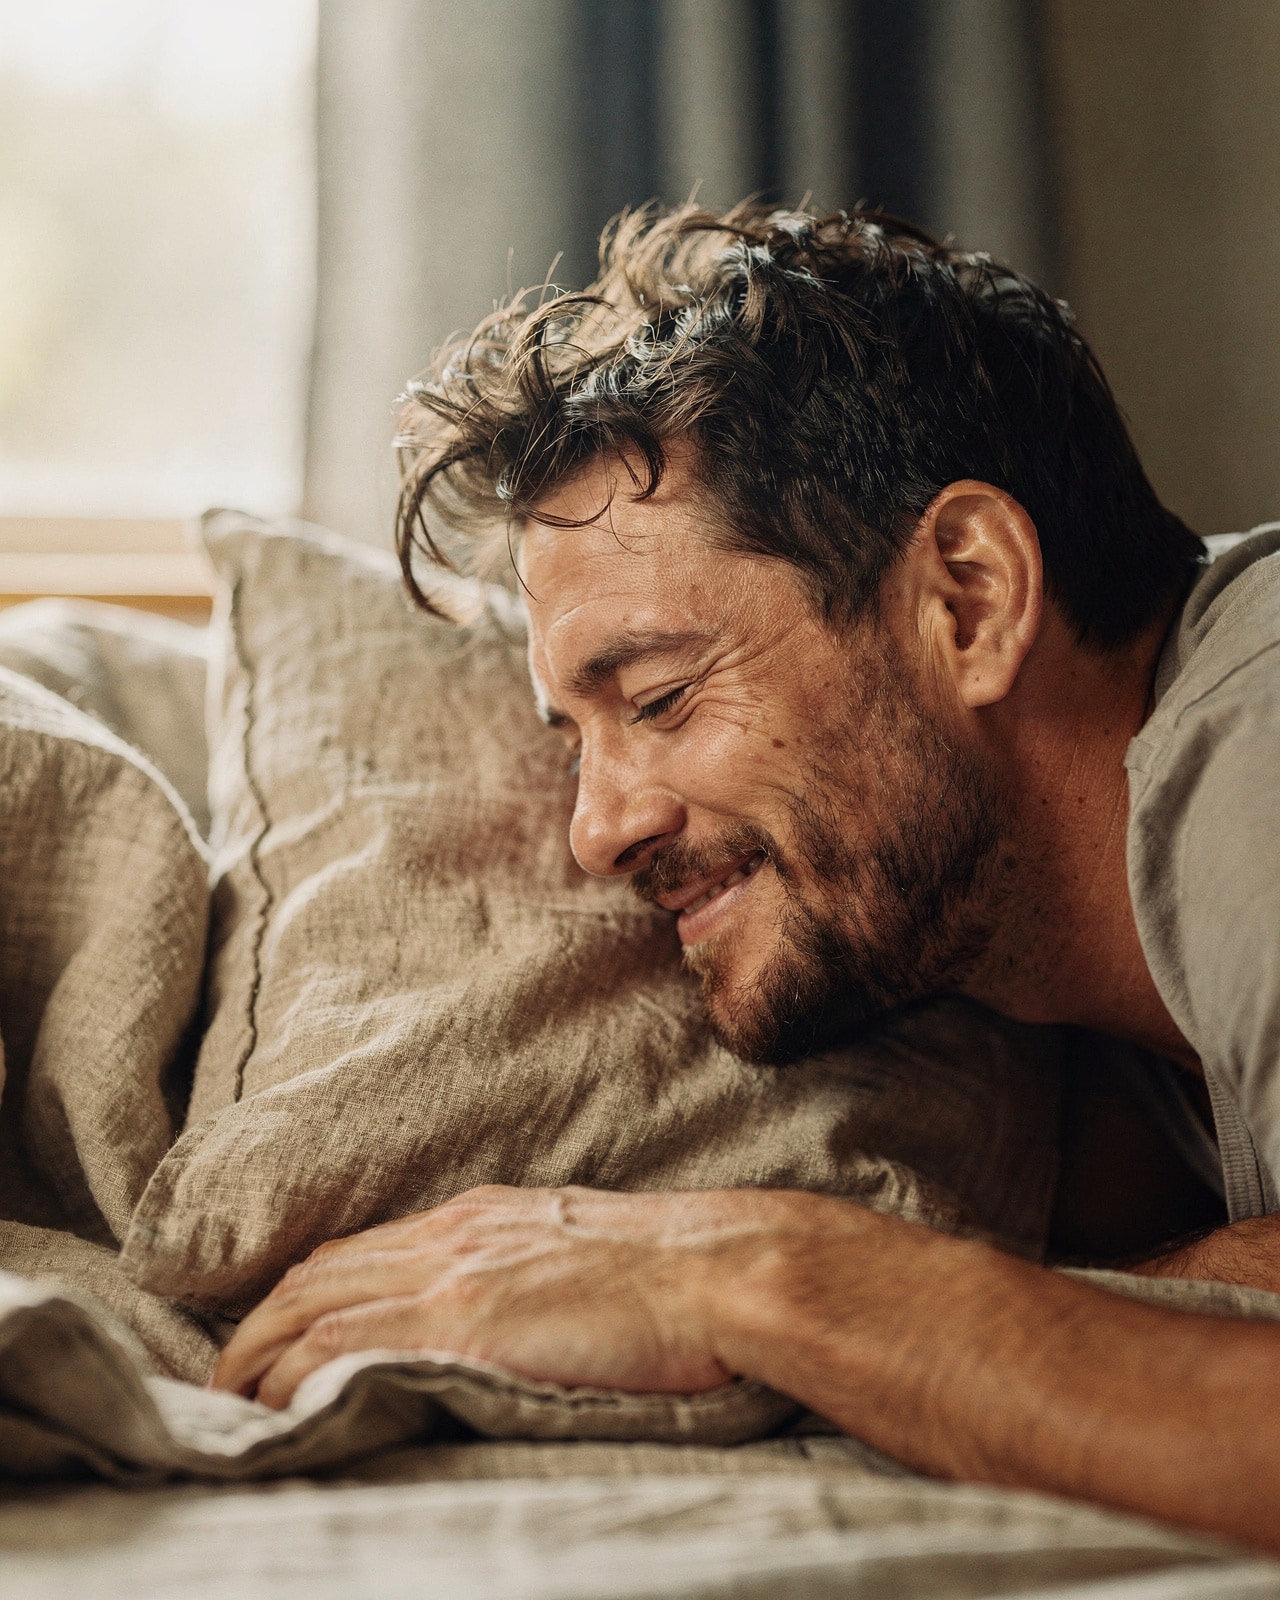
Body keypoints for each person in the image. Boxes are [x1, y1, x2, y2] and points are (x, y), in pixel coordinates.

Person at [214, 204, 1280, 1548]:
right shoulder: (1072, 1006)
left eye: (659, 697)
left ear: (966, 598)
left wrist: (746, 1272)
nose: (595, 832)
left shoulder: (1260, 747)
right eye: (575, 736)